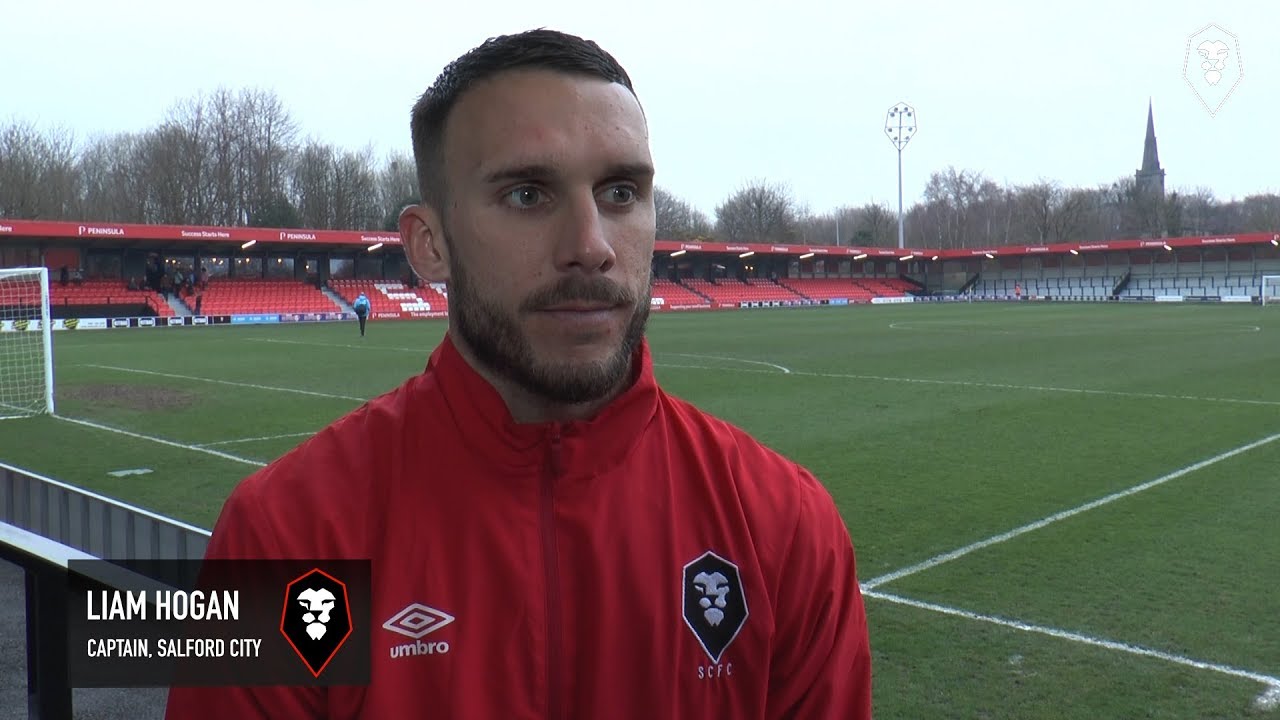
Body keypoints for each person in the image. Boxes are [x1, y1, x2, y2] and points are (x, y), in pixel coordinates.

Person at [165, 28, 872, 719]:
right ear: (430, 244)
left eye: (620, 192)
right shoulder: (284, 538)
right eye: (528, 195)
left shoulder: (786, 528)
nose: (591, 246)